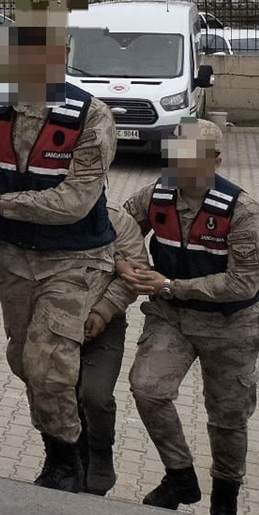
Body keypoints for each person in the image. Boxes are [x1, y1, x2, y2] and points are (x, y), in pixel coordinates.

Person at [0, 0, 118, 493]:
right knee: (24, 360)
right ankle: (75, 436)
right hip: (13, 261)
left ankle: (66, 464)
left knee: (47, 366)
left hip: (73, 260)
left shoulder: (93, 117)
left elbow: (73, 201)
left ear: (63, 52)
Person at [122, 117, 259, 515]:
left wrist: (168, 285)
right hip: (172, 318)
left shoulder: (243, 212)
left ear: (215, 161)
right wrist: (124, 261)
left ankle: (225, 499)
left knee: (228, 417)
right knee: (146, 388)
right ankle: (180, 475)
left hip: (230, 325)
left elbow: (242, 283)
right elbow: (118, 223)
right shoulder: (156, 196)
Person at [76, 206, 147, 496]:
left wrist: (104, 310)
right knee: (59, 395)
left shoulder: (119, 222)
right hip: (55, 322)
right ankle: (72, 462)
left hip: (106, 324)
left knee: (95, 395)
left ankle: (101, 451)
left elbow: (136, 273)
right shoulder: (50, 217)